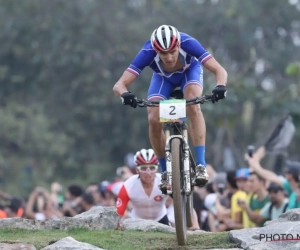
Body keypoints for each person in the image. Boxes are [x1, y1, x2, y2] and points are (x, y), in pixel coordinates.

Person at [113, 25, 228, 191]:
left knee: (193, 104)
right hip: (162, 79)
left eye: (172, 52)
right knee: (153, 118)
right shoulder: (147, 51)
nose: (168, 57)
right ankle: (165, 170)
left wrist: (220, 87)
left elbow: (219, 70)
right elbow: (119, 85)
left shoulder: (188, 42)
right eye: (163, 53)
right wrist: (125, 95)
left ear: (179, 46)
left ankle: (201, 164)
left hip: (189, 73)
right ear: (156, 50)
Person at [116, 149, 169, 225]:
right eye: (143, 168)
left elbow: (182, 202)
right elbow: (119, 213)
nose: (148, 173)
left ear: (156, 169)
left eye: (152, 168)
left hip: (161, 219)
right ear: (137, 170)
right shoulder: (128, 185)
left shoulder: (164, 182)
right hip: (136, 221)